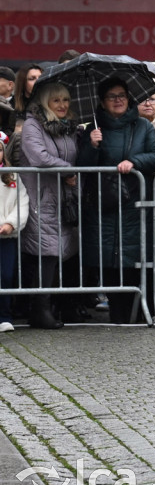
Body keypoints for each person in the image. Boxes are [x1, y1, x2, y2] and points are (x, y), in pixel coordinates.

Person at [78, 78, 155, 324]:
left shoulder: (142, 127)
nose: (118, 100)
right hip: (103, 205)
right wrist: (92, 146)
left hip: (134, 204)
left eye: (122, 95)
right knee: (108, 260)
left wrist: (135, 162)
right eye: (111, 96)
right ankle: (117, 314)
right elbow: (82, 166)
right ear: (102, 102)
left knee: (134, 259)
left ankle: (137, 313)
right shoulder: (92, 129)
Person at [18, 82, 80, 328]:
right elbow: (38, 156)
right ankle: (39, 310)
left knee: (59, 252)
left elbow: (71, 154)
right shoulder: (33, 125)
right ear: (45, 103)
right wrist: (67, 170)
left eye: (65, 100)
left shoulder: (68, 127)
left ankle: (54, 307)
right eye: (56, 101)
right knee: (48, 252)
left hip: (62, 198)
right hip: (40, 196)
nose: (62, 105)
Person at [0, 138, 27, 333]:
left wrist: (11, 223)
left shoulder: (13, 177)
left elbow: (22, 203)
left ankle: (4, 316)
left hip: (6, 237)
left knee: (6, 275)